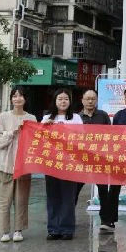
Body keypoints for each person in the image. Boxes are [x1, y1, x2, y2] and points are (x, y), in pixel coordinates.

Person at [0, 87, 37, 242]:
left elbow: (36, 141)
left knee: (21, 200)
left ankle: (18, 230)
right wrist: (12, 133)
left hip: (23, 165)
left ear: (25, 99)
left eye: (21, 96)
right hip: (4, 164)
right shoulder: (3, 117)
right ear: (11, 99)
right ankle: (5, 231)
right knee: (3, 201)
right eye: (15, 96)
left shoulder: (31, 118)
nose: (18, 99)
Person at [41, 88, 84, 240]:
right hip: (51, 163)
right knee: (53, 196)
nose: (63, 101)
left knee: (68, 197)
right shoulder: (46, 118)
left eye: (66, 99)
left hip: (69, 163)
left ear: (70, 101)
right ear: (55, 101)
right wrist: (45, 128)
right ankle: (53, 229)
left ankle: (67, 229)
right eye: (60, 99)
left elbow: (81, 138)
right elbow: (39, 139)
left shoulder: (76, 118)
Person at [79, 90, 117, 233]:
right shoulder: (77, 117)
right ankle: (68, 220)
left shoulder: (103, 115)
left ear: (96, 100)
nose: (90, 101)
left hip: (99, 159)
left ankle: (106, 221)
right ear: (82, 100)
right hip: (81, 160)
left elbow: (110, 135)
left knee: (103, 191)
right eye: (87, 98)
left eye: (93, 99)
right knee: (74, 190)